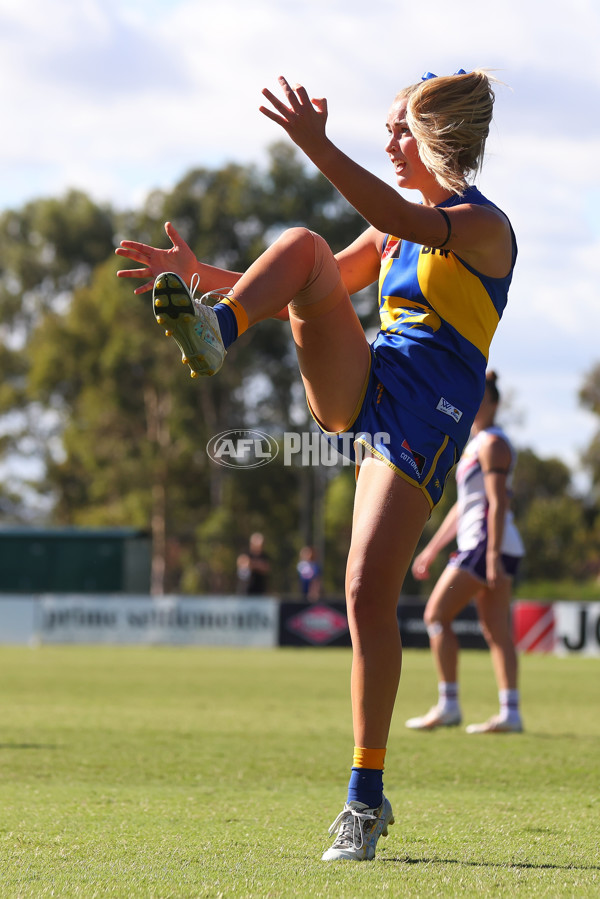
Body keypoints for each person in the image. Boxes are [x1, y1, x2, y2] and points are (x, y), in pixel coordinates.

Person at [116, 68, 517, 861]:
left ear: (439, 136)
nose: (391, 139)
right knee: (300, 247)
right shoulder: (396, 228)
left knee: (366, 589)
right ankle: (217, 332)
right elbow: (307, 279)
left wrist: (316, 146)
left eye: (401, 127)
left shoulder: (478, 224)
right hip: (367, 378)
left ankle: (365, 800)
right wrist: (198, 278)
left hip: (426, 418)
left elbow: (392, 209)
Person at [407, 370, 525, 734]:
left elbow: (497, 501)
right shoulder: (473, 445)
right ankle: (510, 712)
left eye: (481, 398)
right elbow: (464, 507)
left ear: (492, 402)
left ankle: (449, 704)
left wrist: (490, 555)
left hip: (484, 545)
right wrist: (431, 549)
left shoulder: (492, 443)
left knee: (436, 616)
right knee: (496, 631)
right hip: (490, 544)